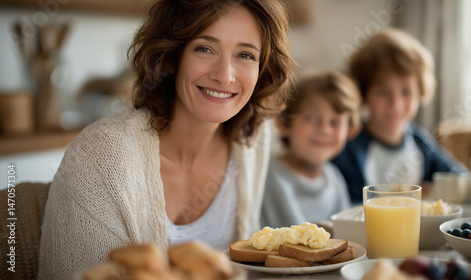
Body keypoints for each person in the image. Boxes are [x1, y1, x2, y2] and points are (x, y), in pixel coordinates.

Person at [37, 0, 295, 279]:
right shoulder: (99, 155)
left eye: (245, 55)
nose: (224, 76)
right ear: (172, 56)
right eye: (204, 48)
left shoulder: (253, 140)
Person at [331, 28, 467, 204]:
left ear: (420, 91)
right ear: (363, 94)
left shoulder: (420, 142)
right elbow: (344, 205)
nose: (396, 104)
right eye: (383, 92)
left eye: (406, 92)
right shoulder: (348, 147)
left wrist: (435, 190)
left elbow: (460, 177)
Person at [260, 71, 360, 228]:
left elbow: (346, 238)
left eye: (335, 122)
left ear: (350, 131)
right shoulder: (269, 177)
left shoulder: (335, 178)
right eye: (312, 118)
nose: (325, 130)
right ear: (283, 123)